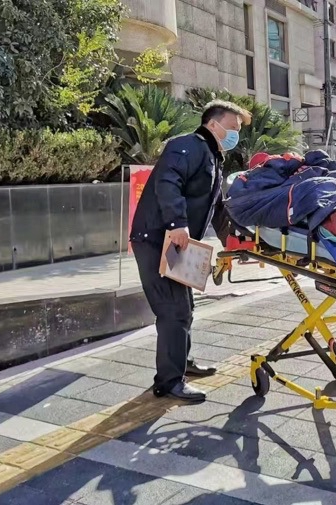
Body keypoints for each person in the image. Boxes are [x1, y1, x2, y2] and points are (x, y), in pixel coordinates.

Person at [130, 100, 249, 403]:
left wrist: (234, 241)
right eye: (232, 128)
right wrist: (177, 222)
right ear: (213, 124)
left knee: (185, 307)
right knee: (173, 311)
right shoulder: (187, 146)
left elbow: (216, 207)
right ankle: (169, 382)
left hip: (179, 244)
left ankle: (181, 363)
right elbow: (168, 181)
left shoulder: (212, 156)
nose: (235, 135)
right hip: (157, 239)